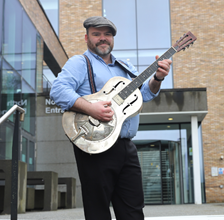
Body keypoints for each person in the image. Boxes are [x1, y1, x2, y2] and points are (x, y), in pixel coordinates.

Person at [50, 16, 172, 220]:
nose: (102, 38)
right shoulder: (80, 62)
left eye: (107, 34)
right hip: (94, 145)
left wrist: (157, 78)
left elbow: (144, 95)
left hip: (126, 146)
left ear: (113, 39)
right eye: (96, 34)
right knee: (98, 210)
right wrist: (91, 109)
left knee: (133, 210)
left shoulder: (124, 68)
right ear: (87, 37)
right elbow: (58, 90)